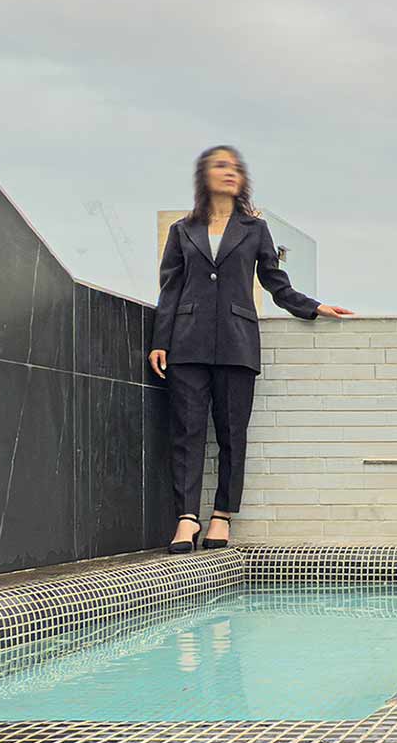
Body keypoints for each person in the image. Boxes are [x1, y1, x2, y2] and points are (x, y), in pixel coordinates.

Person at [148, 145, 353, 552]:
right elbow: (169, 290)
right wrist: (160, 341)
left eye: (235, 167)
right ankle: (186, 518)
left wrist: (312, 307)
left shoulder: (254, 229)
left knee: (230, 434)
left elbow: (275, 281)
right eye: (220, 165)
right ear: (204, 176)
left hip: (238, 343)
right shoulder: (181, 230)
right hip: (187, 345)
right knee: (186, 434)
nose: (230, 172)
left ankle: (222, 516)